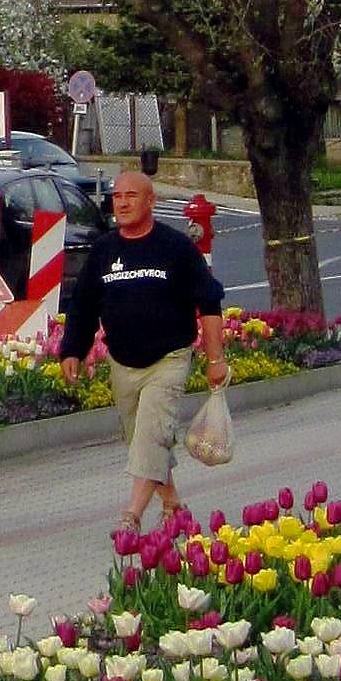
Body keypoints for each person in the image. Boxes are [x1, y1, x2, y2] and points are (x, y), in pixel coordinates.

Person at [58, 161, 230, 536]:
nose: (121, 203)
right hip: (123, 362)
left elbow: (210, 304)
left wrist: (216, 360)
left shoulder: (175, 247)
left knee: (153, 432)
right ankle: (173, 506)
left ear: (150, 201)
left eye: (131, 196)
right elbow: (83, 306)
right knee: (145, 438)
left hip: (168, 358)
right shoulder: (103, 251)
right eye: (117, 196)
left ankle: (131, 516)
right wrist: (72, 350)